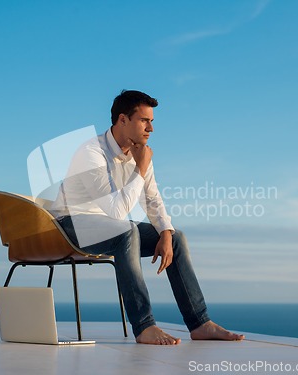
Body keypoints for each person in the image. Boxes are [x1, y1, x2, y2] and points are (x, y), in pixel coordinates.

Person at [52, 90, 245, 345]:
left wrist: (166, 233)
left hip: (111, 226)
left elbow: (152, 199)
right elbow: (117, 212)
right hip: (71, 225)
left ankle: (200, 323)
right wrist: (140, 168)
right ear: (123, 120)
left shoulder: (139, 152)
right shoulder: (91, 153)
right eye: (145, 120)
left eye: (152, 121)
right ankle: (144, 326)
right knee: (126, 231)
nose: (151, 128)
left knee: (176, 238)